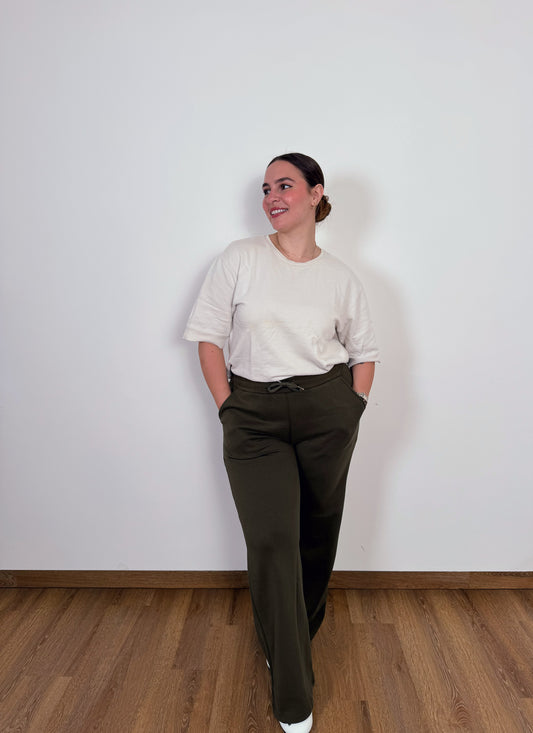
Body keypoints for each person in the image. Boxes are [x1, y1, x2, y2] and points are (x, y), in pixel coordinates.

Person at [183, 152, 379, 733]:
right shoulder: (240, 258)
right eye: (266, 188)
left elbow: (365, 351)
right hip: (254, 415)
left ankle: (295, 635)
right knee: (272, 541)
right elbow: (208, 338)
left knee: (317, 537)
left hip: (327, 411)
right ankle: (293, 693)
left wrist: (351, 407)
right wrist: (229, 407)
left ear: (316, 194)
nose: (272, 197)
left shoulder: (340, 276)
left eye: (285, 185)